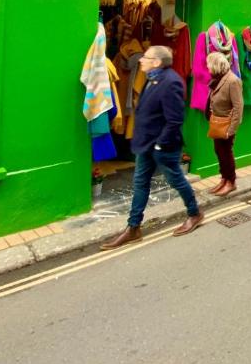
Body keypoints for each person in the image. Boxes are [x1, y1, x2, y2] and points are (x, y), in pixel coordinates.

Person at [102, 46, 203, 250]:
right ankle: (133, 228)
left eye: (146, 58)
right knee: (140, 183)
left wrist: (160, 144)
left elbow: (174, 120)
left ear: (157, 62)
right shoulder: (152, 77)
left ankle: (194, 214)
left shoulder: (172, 82)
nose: (141, 60)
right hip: (146, 144)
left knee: (176, 180)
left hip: (163, 146)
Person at [205, 51, 243, 197]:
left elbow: (238, 107)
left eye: (209, 66)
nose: (208, 69)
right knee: (219, 152)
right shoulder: (218, 79)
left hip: (226, 125)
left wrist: (231, 130)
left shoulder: (233, 81)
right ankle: (224, 178)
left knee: (226, 153)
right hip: (217, 123)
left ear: (216, 66)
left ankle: (231, 182)